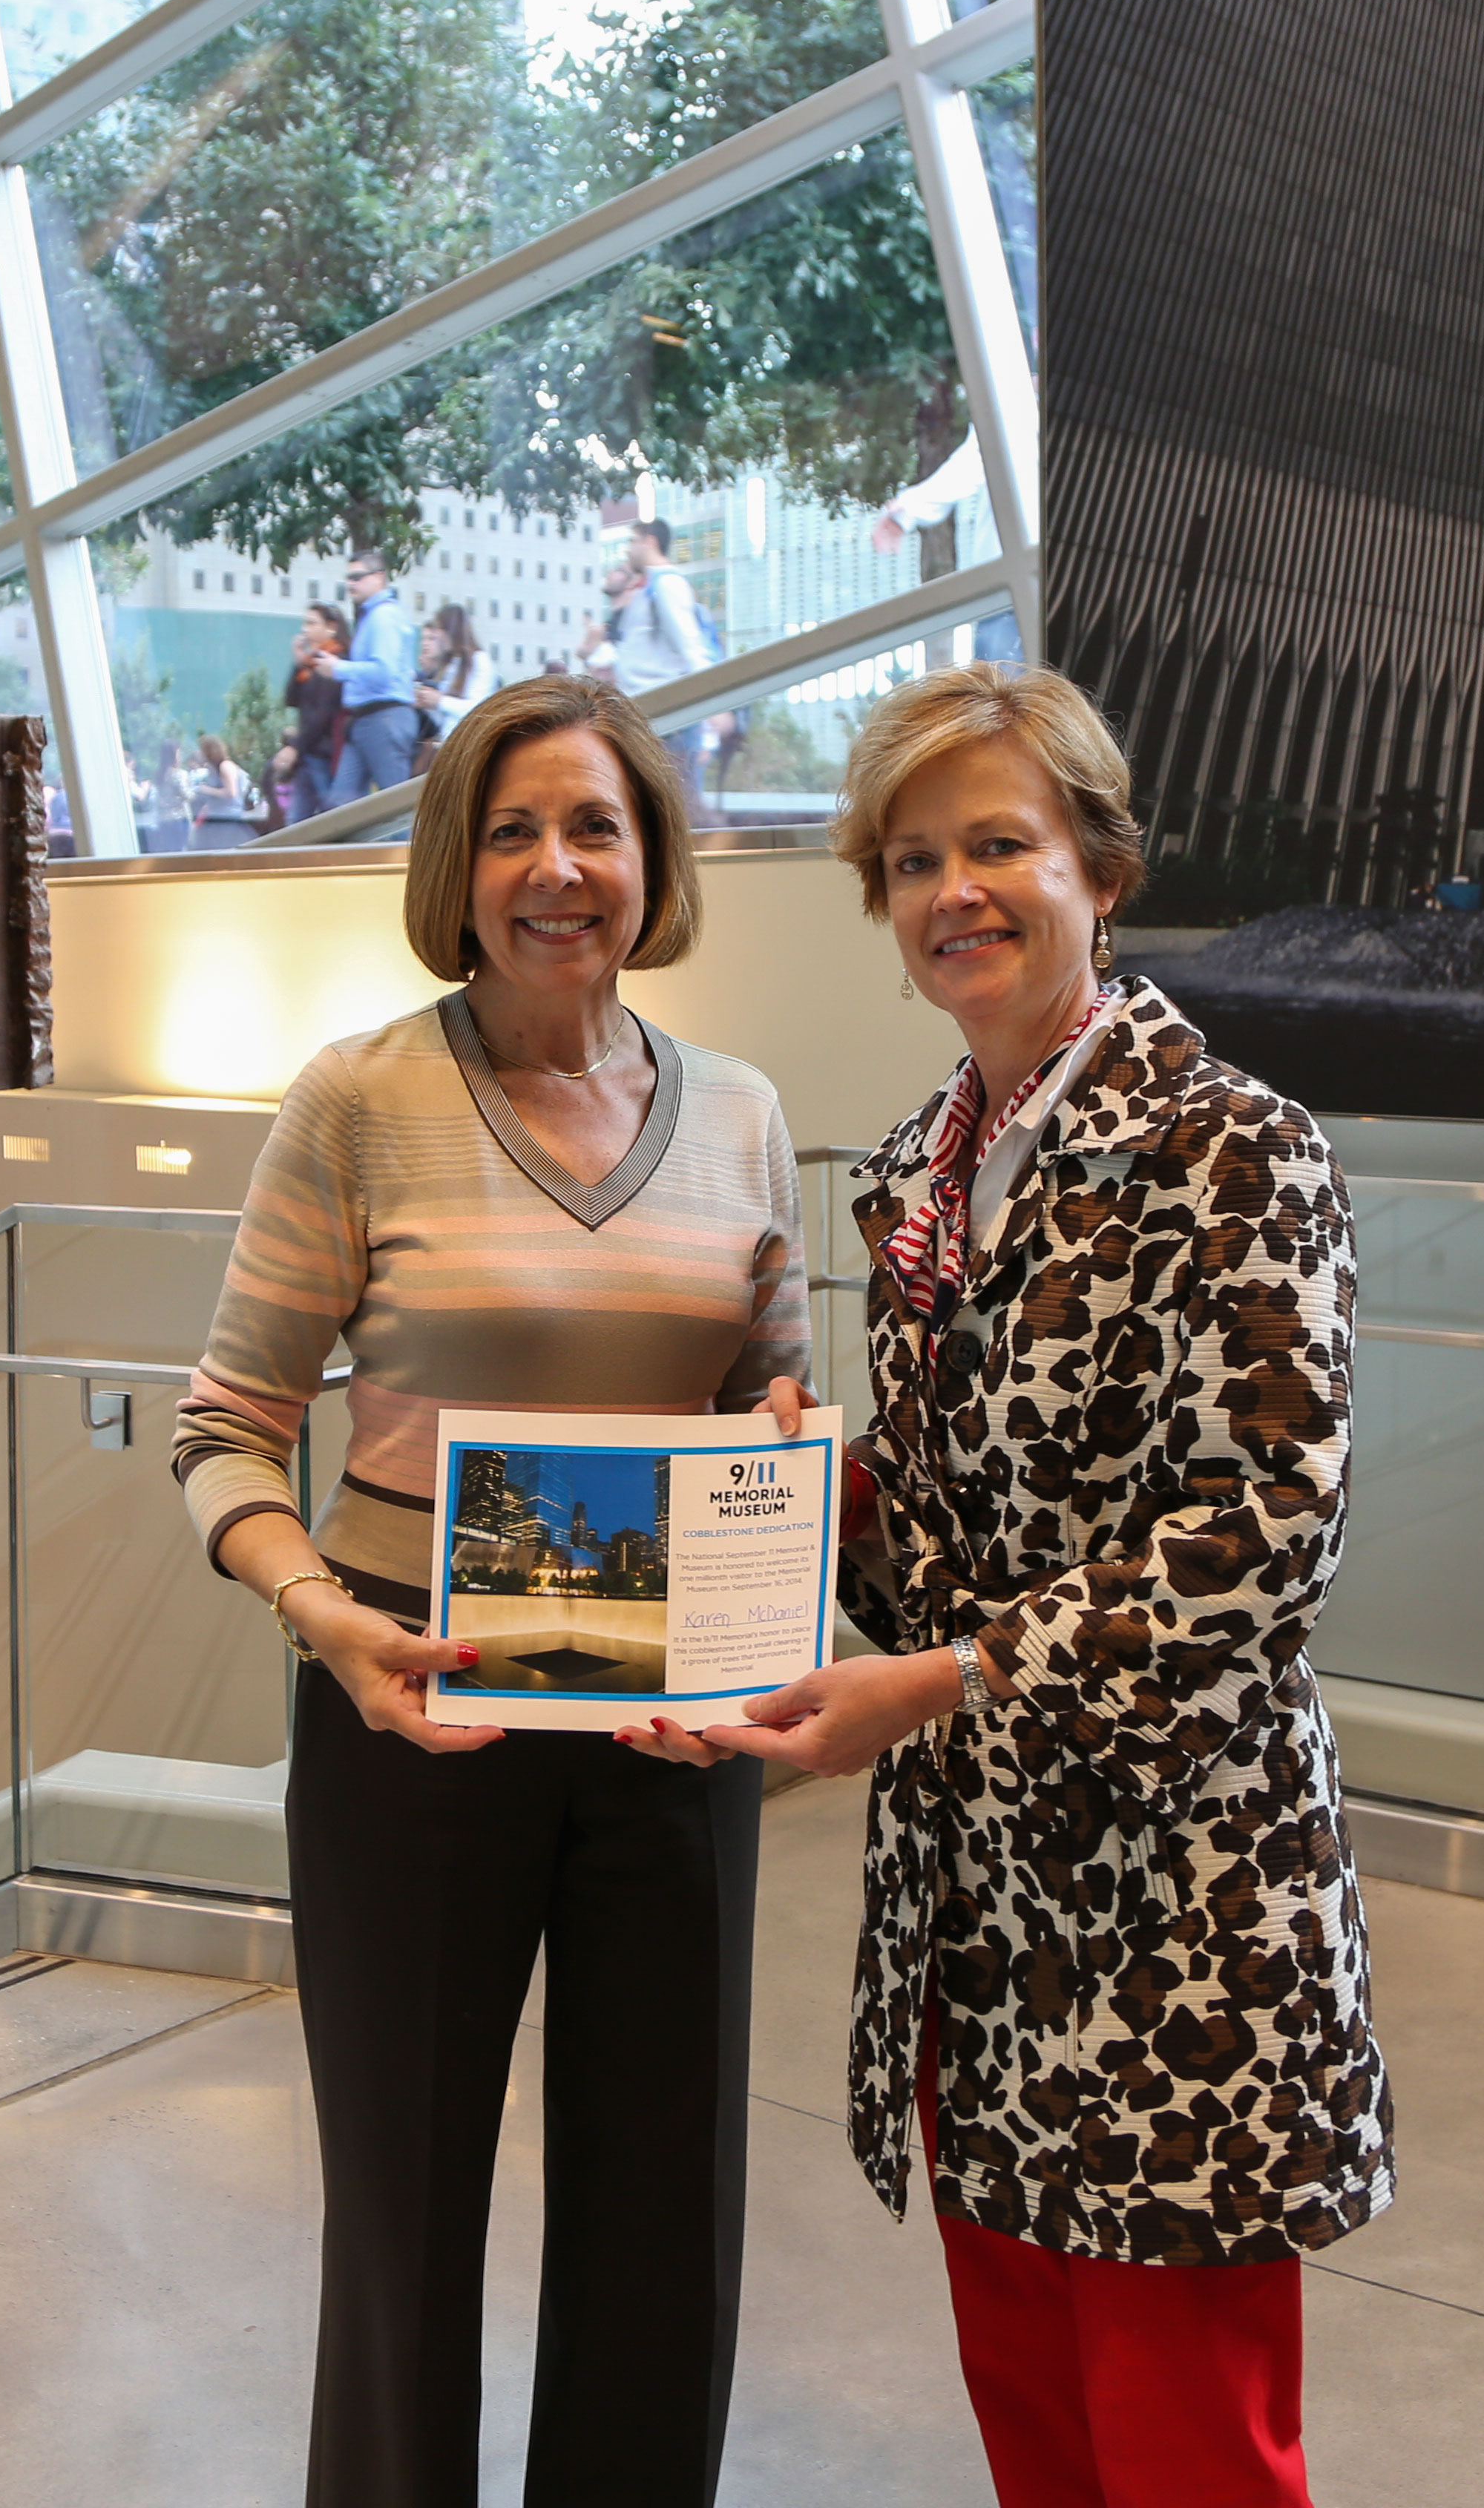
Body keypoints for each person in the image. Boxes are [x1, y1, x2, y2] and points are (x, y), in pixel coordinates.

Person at [702, 662, 1391, 2508]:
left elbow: (1257, 1534)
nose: (955, 890)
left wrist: (928, 1686)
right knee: (1034, 2427)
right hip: (975, 1915)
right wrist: (803, 1487)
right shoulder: (919, 1170)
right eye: (911, 856)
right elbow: (933, 1558)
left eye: (998, 840)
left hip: (1172, 1901)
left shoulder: (1232, 1149)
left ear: (1097, 860)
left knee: (1185, 2452)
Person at [173, 672, 813, 2508]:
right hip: (414, 1714)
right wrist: (319, 1610)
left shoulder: (745, 1114)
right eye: (513, 828)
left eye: (593, 826)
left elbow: (763, 1390)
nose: (556, 867)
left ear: (649, 860)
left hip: (669, 1718)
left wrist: (777, 1428)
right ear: (455, 864)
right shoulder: (358, 1098)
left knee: (660, 2210)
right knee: (403, 2214)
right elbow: (224, 1422)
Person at [582, 519, 718, 789]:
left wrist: (714, 712)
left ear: (650, 542)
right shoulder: (649, 588)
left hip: (669, 721)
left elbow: (691, 647)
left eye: (633, 542)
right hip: (648, 718)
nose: (628, 551)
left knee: (678, 811)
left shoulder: (667, 585)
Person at [328, 548, 424, 801]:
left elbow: (384, 671)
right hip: (370, 719)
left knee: (394, 805)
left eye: (357, 577)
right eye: (349, 578)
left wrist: (339, 669)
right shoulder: (374, 616)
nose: (351, 584)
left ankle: (412, 842)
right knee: (341, 806)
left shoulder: (384, 616)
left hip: (383, 717)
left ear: (379, 577)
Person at [278, 600, 353, 823]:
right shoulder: (311, 664)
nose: (305, 629)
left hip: (325, 754)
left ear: (331, 627)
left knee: (330, 819)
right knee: (297, 824)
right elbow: (291, 699)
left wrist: (295, 748)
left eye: (312, 623)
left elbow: (323, 713)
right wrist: (298, 663)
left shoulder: (335, 662)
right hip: (309, 753)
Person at [409, 599, 493, 758]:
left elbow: (479, 710)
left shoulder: (480, 660)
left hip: (469, 750)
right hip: (449, 747)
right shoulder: (455, 664)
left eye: (440, 629)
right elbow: (446, 718)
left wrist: (439, 701)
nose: (436, 635)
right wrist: (428, 704)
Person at [186, 732, 265, 852]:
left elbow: (231, 793)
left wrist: (206, 790)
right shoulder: (213, 768)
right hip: (216, 820)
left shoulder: (225, 766)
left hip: (228, 821)